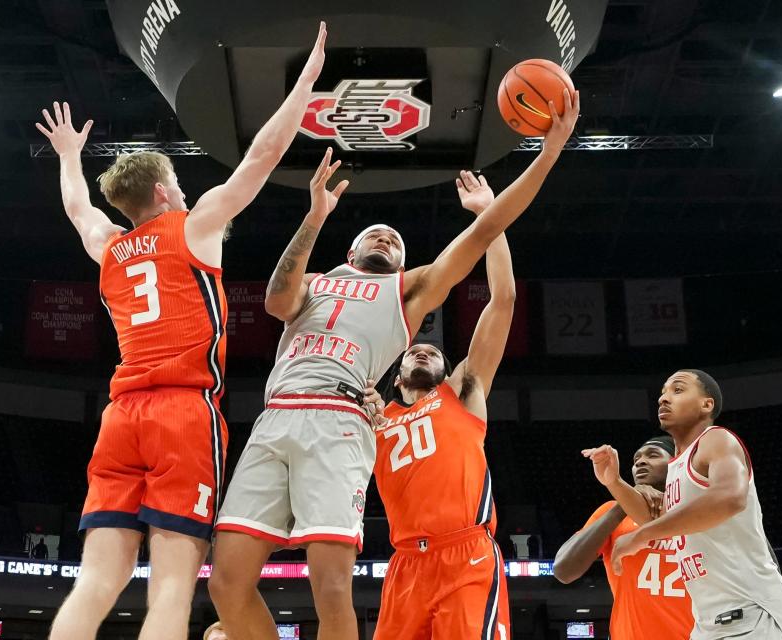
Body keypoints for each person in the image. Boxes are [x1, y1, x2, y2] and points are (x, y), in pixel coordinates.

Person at [209, 90, 580, 640]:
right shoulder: (314, 282)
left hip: (337, 418)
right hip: (276, 415)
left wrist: (547, 153)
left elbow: (484, 235)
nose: (386, 237)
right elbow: (275, 303)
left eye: (397, 241)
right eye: (373, 235)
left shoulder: (407, 292)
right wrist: (314, 218)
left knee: (330, 587)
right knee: (225, 584)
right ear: (351, 250)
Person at [36, 22, 329, 640]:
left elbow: (77, 209)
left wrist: (68, 156)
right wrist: (307, 79)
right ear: (168, 190)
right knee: (171, 586)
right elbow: (263, 156)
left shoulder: (109, 247)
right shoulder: (193, 227)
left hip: (121, 414)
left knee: (95, 582)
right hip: (181, 411)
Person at [368, 170, 515, 639]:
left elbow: (504, 299)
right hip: (405, 561)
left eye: (435, 351)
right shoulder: (375, 415)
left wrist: (488, 217)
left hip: (465, 553)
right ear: (398, 369)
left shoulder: (462, 392)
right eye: (415, 349)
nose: (424, 350)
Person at [587, 370, 782, 639]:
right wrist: (614, 482)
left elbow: (730, 498)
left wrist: (640, 537)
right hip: (707, 623)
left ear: (706, 404)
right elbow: (655, 519)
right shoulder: (677, 466)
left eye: (677, 390)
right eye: (663, 392)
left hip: (750, 613)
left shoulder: (716, 439)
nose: (663, 399)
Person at [555, 435, 693, 639]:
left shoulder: (697, 512)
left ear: (677, 463)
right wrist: (622, 503)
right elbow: (564, 570)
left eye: (653, 455)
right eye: (636, 459)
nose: (640, 462)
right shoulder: (612, 512)